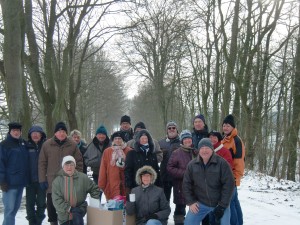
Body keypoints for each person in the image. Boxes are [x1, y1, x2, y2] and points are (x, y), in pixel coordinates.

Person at [38, 121, 83, 225]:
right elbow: (42, 163)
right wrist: (42, 180)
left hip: (68, 182)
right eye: (59, 131)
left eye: (63, 131)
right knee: (52, 209)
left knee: (67, 209)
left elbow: (79, 162)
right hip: (51, 183)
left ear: (66, 133)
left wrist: (77, 177)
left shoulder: (72, 145)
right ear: (55, 133)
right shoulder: (47, 145)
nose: (61, 133)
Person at [183, 138, 235, 225]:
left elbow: (229, 185)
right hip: (201, 203)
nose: (204, 151)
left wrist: (222, 206)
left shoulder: (222, 163)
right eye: (202, 148)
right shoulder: (192, 165)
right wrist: (191, 202)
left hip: (219, 203)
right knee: (188, 223)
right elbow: (186, 184)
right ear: (198, 150)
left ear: (212, 149)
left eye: (207, 148)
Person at [52, 155, 100, 225]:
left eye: (71, 165)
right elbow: (56, 200)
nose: (69, 167)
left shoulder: (83, 178)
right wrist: (69, 209)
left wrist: (94, 203)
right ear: (63, 166)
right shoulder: (57, 181)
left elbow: (94, 189)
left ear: (75, 166)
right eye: (66, 165)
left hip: (79, 212)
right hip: (64, 216)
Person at [0, 122, 29, 225]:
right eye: (14, 130)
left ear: (21, 132)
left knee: (14, 210)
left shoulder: (23, 144)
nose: (16, 132)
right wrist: (2, 181)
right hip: (9, 184)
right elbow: (1, 164)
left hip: (20, 183)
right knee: (9, 211)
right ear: (10, 131)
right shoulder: (4, 145)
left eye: (18, 131)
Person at [167, 130, 197, 225]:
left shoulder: (196, 152)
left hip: (195, 186)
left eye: (189, 138)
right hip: (181, 186)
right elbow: (170, 168)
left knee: (195, 208)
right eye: (185, 139)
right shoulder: (176, 153)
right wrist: (185, 174)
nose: (187, 140)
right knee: (180, 209)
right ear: (182, 140)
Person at [221, 115, 245, 225]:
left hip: (231, 178)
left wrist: (235, 177)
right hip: (226, 177)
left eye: (228, 126)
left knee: (230, 203)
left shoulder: (236, 140)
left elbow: (239, 161)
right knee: (234, 202)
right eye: (224, 125)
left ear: (232, 127)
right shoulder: (224, 140)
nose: (225, 128)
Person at [125, 129, 161, 195]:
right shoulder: (132, 153)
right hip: (136, 187)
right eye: (142, 138)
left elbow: (156, 170)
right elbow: (128, 170)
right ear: (138, 140)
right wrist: (129, 186)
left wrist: (159, 186)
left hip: (152, 187)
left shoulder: (152, 154)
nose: (144, 140)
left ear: (149, 140)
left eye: (146, 138)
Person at [98, 131, 131, 200]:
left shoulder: (129, 151)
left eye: (119, 138)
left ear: (123, 140)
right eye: (115, 138)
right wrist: (102, 184)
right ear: (113, 140)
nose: (117, 140)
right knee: (113, 207)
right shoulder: (107, 151)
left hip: (126, 184)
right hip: (111, 184)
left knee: (126, 207)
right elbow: (103, 169)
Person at [26, 125, 47, 225]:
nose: (35, 135)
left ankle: (38, 222)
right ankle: (31, 222)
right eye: (33, 133)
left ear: (41, 135)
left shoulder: (46, 145)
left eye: (37, 133)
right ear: (30, 135)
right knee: (30, 204)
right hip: (29, 181)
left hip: (42, 180)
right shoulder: (26, 146)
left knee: (41, 203)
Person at [158, 121, 180, 202]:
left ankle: (179, 215)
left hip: (178, 176)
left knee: (180, 201)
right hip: (165, 176)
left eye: (173, 128)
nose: (171, 129)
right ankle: (164, 214)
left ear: (177, 130)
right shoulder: (160, 143)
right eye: (169, 128)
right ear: (166, 130)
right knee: (164, 200)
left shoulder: (182, 142)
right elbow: (156, 157)